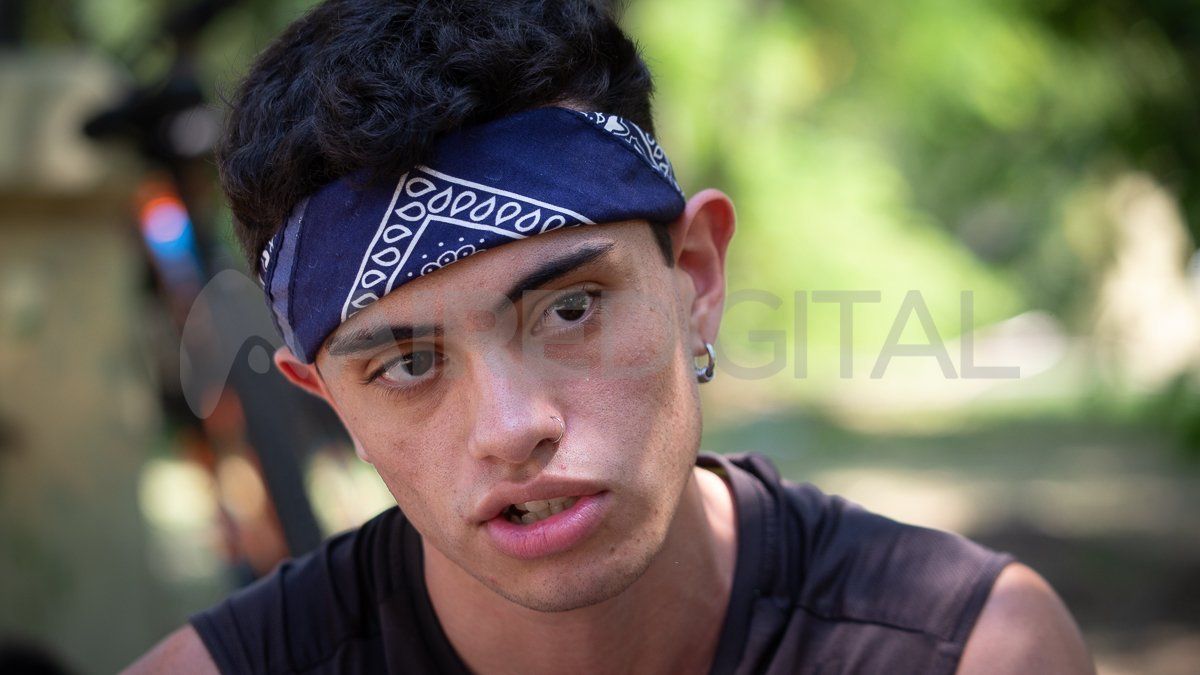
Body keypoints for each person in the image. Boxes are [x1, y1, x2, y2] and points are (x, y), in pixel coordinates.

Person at [126, 1, 1094, 673]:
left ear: (695, 278)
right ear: (330, 399)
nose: (513, 427)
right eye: (409, 363)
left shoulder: (968, 652)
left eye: (570, 309)